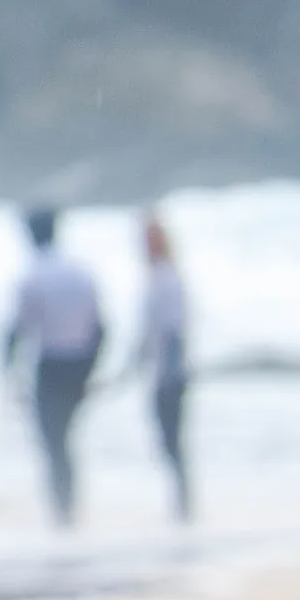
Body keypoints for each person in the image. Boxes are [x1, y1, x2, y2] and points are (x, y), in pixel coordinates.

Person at [0, 206, 102, 528]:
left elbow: (16, 331)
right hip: (79, 362)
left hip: (51, 364)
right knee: (65, 438)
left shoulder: (31, 276)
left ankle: (63, 513)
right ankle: (69, 509)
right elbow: (101, 328)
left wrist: (7, 372)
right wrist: (91, 370)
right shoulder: (81, 271)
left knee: (53, 440)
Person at [130, 208, 191, 523]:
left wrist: (168, 373)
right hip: (163, 372)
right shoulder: (159, 277)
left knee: (172, 443)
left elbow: (172, 333)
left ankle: (183, 509)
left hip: (169, 374)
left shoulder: (166, 279)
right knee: (169, 444)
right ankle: (181, 508)